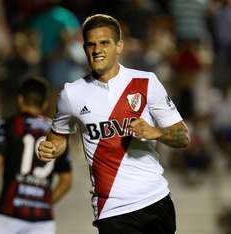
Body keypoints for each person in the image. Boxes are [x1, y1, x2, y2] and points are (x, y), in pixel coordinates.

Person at [38, 14, 190, 234]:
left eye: (104, 43)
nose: (97, 49)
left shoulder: (146, 82)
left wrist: (156, 132)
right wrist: (51, 148)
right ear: (84, 49)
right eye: (91, 44)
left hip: (156, 201)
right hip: (112, 210)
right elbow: (58, 139)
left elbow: (183, 137)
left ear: (119, 46)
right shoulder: (72, 93)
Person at [0, 77, 72, 234]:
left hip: (8, 213)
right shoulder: (56, 133)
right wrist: (45, 203)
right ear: (45, 104)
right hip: (42, 220)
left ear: (20, 99)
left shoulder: (8, 125)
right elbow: (66, 181)